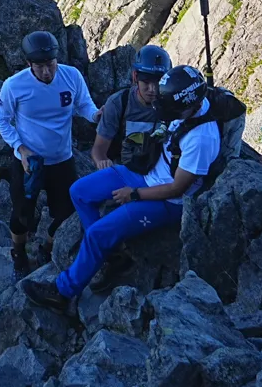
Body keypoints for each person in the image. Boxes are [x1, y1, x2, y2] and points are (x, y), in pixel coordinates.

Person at [23, 65, 229, 312]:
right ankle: (110, 257)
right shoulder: (185, 107)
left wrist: (134, 195)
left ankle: (62, 293)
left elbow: (177, 189)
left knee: (97, 233)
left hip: (167, 202)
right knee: (79, 191)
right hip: (148, 173)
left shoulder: (201, 138)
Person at [0, 30, 100, 274]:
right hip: (28, 162)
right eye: (40, 66)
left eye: (50, 65)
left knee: (66, 214)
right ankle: (19, 254)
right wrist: (20, 148)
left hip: (62, 159)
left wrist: (95, 115)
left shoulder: (71, 76)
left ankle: (47, 248)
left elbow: (83, 104)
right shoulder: (14, 85)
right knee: (22, 216)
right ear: (28, 63)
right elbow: (0, 117)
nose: (46, 72)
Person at [92, 44, 171, 172]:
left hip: (159, 175)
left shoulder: (171, 105)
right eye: (146, 82)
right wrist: (102, 162)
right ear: (135, 77)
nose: (152, 90)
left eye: (158, 83)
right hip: (123, 170)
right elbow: (98, 150)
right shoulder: (118, 103)